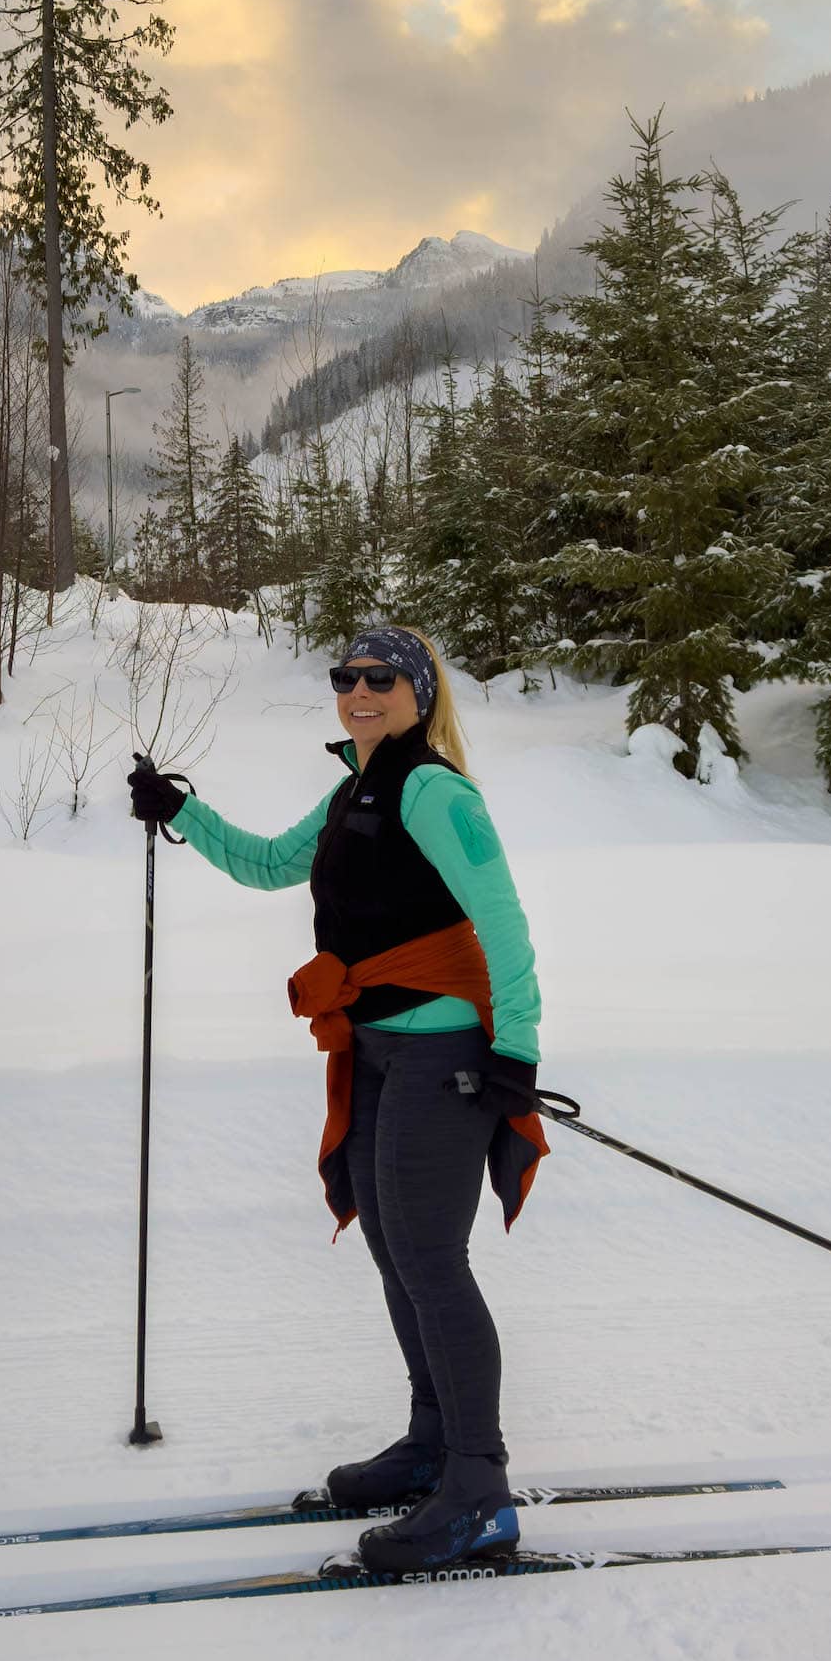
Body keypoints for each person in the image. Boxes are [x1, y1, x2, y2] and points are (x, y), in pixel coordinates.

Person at [126, 624, 548, 1572]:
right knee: (396, 1249)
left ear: (420, 693)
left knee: (432, 1260)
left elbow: (503, 921)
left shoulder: (436, 789)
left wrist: (515, 1049)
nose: (360, 691)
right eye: (346, 677)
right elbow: (273, 863)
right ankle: (432, 1444)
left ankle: (480, 1488)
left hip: (447, 1055)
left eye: (382, 679)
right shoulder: (354, 787)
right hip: (374, 1050)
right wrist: (180, 813)